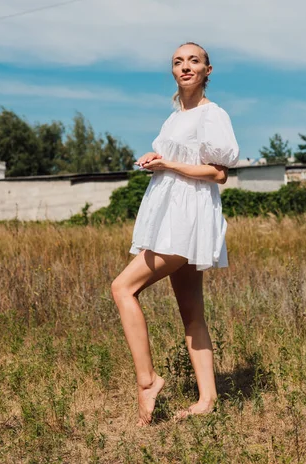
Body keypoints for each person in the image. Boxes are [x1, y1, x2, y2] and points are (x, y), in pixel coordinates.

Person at [111, 42, 240, 427]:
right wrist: (158, 163)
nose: (186, 67)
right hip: (171, 213)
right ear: (173, 71)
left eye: (194, 61)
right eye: (178, 61)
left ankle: (148, 380)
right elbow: (178, 163)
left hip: (186, 217)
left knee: (122, 288)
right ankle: (207, 399)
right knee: (191, 311)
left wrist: (169, 163)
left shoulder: (212, 114)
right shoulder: (173, 119)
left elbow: (220, 173)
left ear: (207, 70)